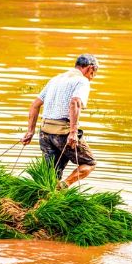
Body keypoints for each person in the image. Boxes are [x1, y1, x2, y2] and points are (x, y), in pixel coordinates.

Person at [21, 54, 99, 188]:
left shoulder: (56, 79)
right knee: (89, 163)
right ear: (90, 68)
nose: (94, 76)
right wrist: (73, 133)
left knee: (51, 173)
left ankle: (46, 196)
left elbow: (35, 105)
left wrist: (30, 132)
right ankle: (62, 186)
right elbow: (75, 102)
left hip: (45, 133)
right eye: (95, 72)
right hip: (63, 133)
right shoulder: (82, 81)